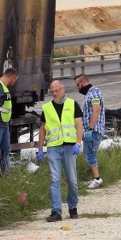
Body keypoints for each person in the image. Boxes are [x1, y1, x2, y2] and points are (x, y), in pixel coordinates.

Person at [36, 80, 84, 222]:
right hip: (53, 148)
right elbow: (42, 129)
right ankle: (56, 211)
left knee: (72, 180)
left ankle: (73, 207)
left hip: (70, 147)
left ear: (63, 90)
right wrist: (40, 149)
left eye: (57, 91)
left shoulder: (72, 104)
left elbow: (79, 124)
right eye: (52, 92)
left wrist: (78, 142)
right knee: (54, 179)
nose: (55, 94)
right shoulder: (47, 108)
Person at [74, 74, 104, 189]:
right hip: (89, 130)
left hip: (94, 130)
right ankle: (94, 178)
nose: (78, 88)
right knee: (89, 152)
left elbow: (96, 110)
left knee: (89, 153)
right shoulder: (89, 95)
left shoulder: (94, 92)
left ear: (82, 83)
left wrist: (90, 129)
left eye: (78, 85)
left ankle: (97, 179)